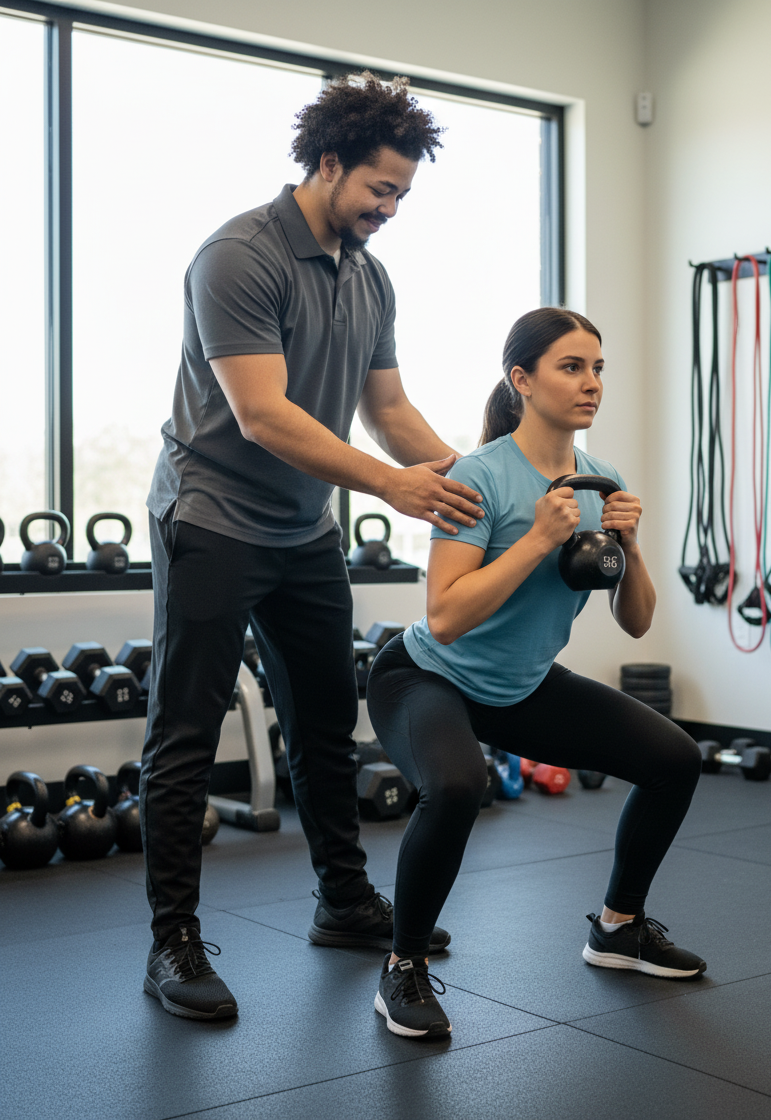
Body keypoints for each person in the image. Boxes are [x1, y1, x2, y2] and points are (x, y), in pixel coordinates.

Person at [141, 73, 485, 1021]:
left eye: (402, 196)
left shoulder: (369, 276)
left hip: (304, 532)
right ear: (327, 164)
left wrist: (477, 480)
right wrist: (391, 486)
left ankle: (343, 899)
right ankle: (171, 942)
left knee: (327, 725)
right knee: (184, 733)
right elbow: (262, 415)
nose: (390, 210)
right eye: (380, 189)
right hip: (211, 519)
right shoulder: (238, 256)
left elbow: (389, 411)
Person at [365, 307, 706, 1039]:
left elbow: (637, 619)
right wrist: (538, 540)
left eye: (598, 368)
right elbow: (448, 616)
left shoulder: (600, 480)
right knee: (457, 785)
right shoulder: (476, 478)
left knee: (675, 759)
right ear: (522, 379)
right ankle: (403, 967)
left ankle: (619, 926)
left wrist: (632, 545)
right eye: (572, 367)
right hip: (428, 676)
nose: (591, 384)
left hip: (519, 685)